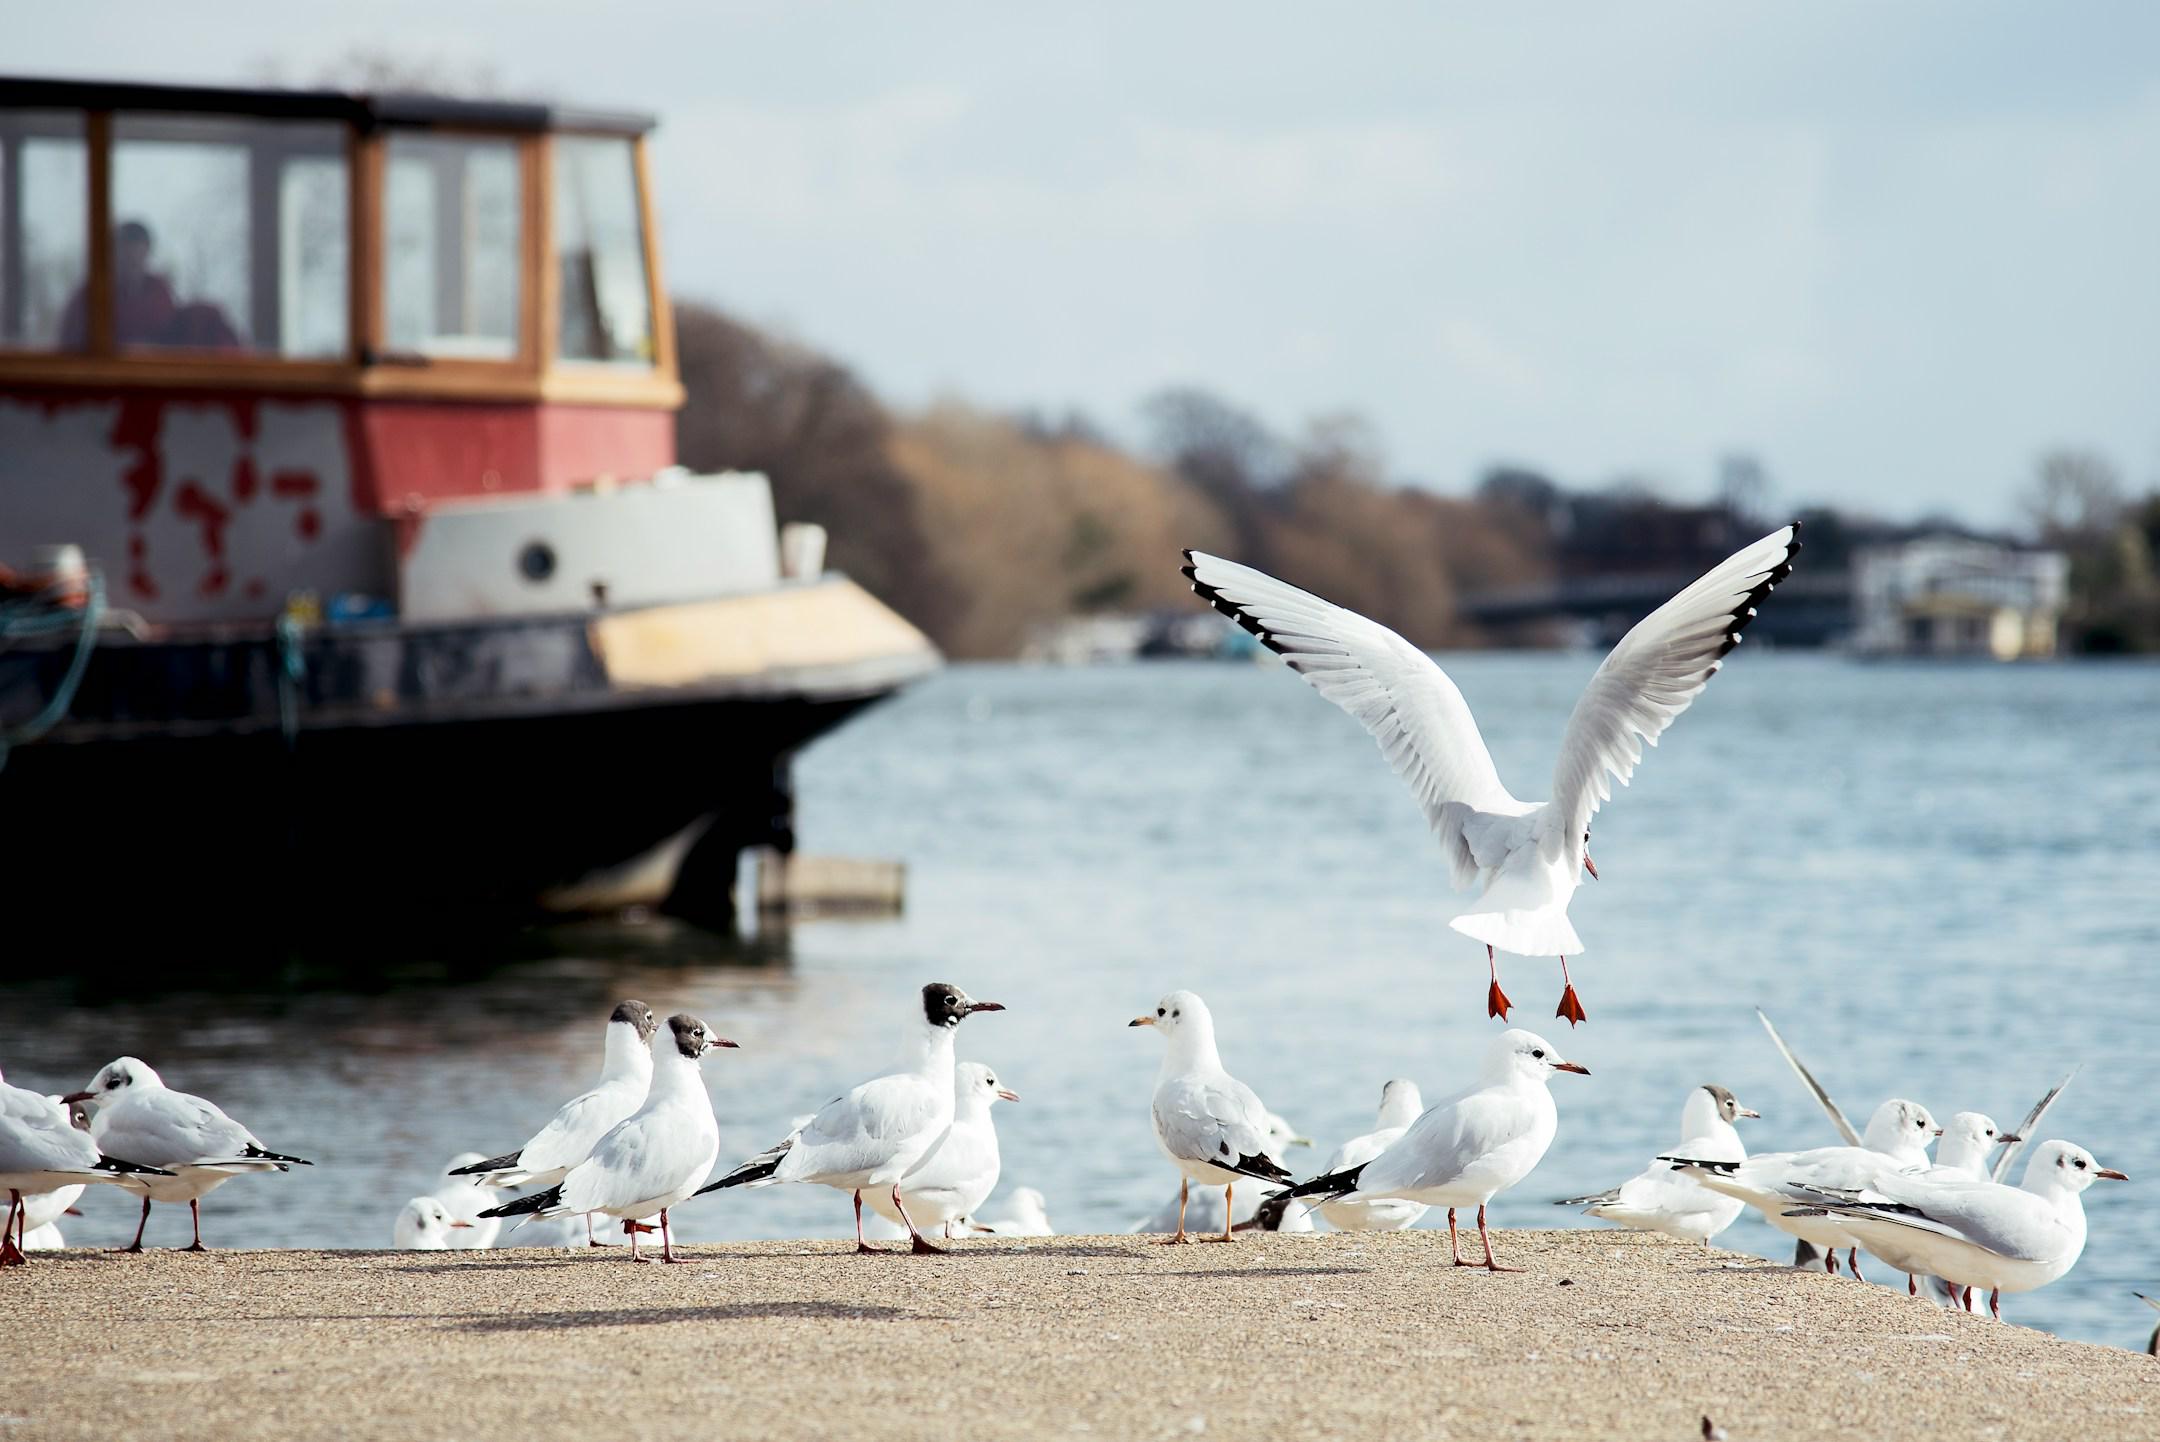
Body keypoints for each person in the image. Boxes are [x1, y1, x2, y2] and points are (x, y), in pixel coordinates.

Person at [59, 220, 179, 347]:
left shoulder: (160, 292)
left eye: (138, 249)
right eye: (125, 250)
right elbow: (70, 342)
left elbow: (175, 336)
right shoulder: (92, 294)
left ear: (147, 251)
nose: (132, 257)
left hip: (154, 365)